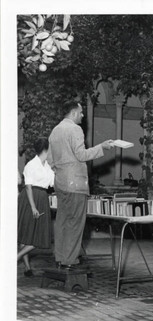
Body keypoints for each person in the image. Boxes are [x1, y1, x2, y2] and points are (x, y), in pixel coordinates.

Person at [47, 101, 114, 269]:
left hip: (60, 182)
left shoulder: (55, 130)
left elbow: (49, 159)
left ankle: (60, 258)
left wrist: (61, 171)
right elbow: (81, 154)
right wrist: (102, 147)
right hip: (75, 183)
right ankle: (70, 260)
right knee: (76, 223)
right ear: (74, 113)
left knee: (62, 221)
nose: (83, 115)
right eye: (81, 112)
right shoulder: (75, 129)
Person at [17, 138, 55, 276]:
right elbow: (28, 187)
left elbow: (52, 183)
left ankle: (26, 267)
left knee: (37, 235)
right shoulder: (31, 165)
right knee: (30, 235)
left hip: (42, 198)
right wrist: (33, 207)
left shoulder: (48, 166)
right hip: (30, 199)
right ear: (46, 150)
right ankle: (17, 261)